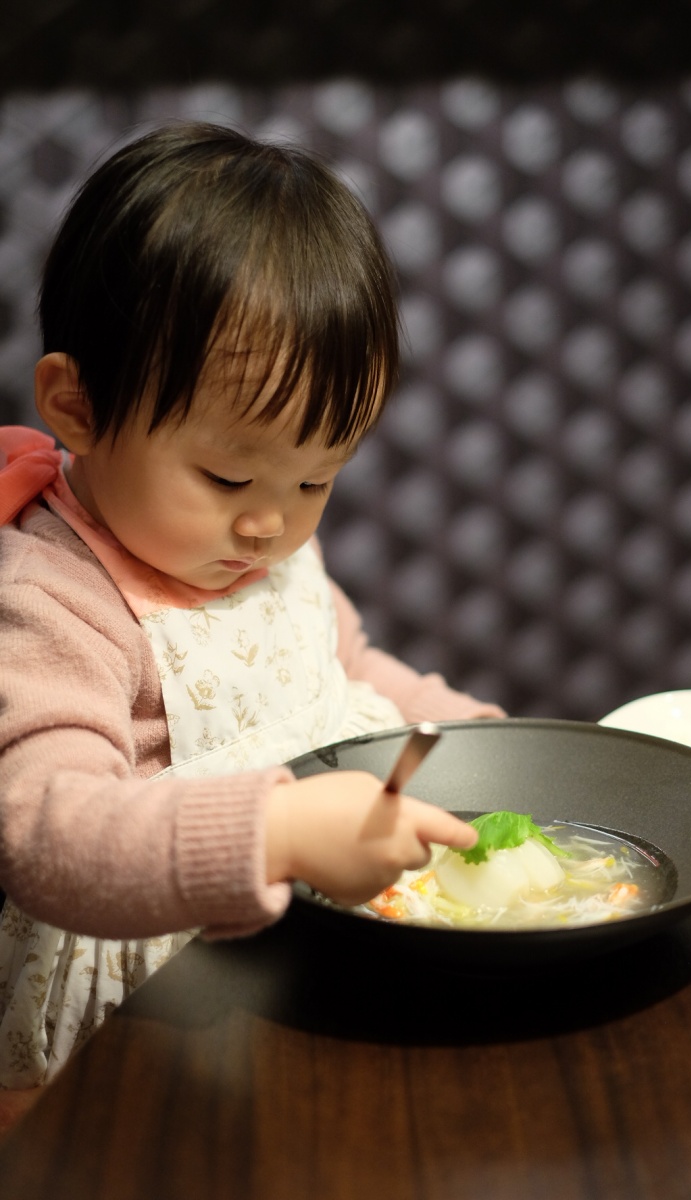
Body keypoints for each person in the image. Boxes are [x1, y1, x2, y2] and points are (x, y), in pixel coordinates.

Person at [0, 122, 503, 1096]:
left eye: (317, 479)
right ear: (77, 407)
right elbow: (45, 836)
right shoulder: (52, 604)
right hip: (134, 1035)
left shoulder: (260, 548)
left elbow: (343, 666)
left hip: (298, 957)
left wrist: (461, 731)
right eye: (227, 473)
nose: (271, 524)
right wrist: (270, 834)